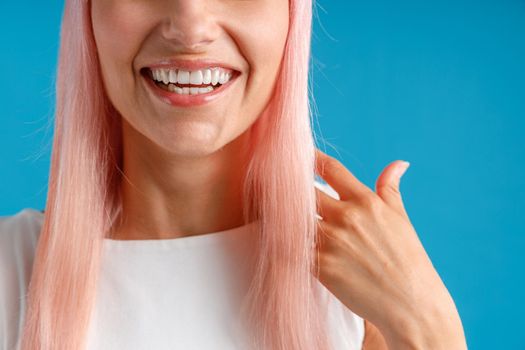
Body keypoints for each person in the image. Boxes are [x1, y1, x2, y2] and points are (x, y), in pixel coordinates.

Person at [0, 0, 467, 349]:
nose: (190, 27)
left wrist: (428, 325)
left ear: (291, 18)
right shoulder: (8, 268)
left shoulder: (359, 282)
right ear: (87, 16)